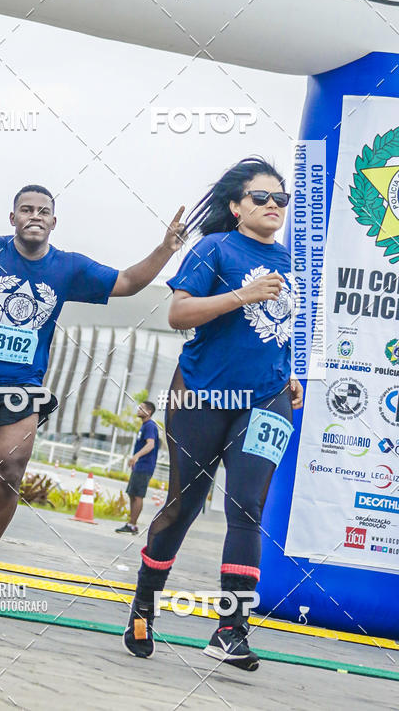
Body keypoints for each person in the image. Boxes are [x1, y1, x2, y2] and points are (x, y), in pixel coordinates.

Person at [0, 166, 185, 592]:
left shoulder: (67, 269)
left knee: (10, 470)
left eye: (43, 211)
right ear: (12, 218)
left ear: (53, 222)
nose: (35, 215)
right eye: (26, 209)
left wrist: (165, 249)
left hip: (22, 388)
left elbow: (126, 282)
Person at [122, 157, 303, 671]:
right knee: (185, 501)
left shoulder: (291, 262)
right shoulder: (214, 249)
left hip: (265, 399)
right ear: (235, 206)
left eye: (280, 199)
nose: (272, 206)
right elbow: (179, 314)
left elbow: (276, 329)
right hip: (201, 395)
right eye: (260, 198)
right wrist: (242, 294)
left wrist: (286, 372)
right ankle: (144, 605)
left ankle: (230, 630)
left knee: (247, 506)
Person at [116, 401, 159, 535]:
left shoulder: (150, 426)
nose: (138, 409)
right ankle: (131, 523)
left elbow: (150, 444)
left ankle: (132, 525)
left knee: (138, 495)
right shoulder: (144, 426)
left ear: (149, 412)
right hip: (139, 466)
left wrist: (136, 456)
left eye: (142, 408)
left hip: (145, 465)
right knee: (132, 493)